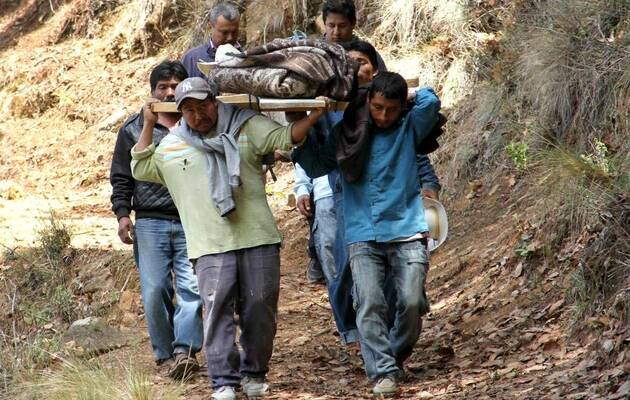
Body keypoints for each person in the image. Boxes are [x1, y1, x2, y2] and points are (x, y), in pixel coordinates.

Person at [130, 77, 327, 400]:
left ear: (216, 102)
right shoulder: (173, 143)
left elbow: (285, 136)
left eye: (203, 106)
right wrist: (149, 124)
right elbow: (140, 166)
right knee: (217, 310)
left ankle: (254, 373)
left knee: (260, 309)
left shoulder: (246, 127)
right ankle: (223, 380)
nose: (198, 115)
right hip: (209, 245)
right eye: (189, 110)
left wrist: (315, 114)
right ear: (181, 114)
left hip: (258, 238)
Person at [294, 71, 441, 396]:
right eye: (376, 107)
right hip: (363, 233)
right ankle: (383, 372)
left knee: (412, 301)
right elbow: (318, 165)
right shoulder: (347, 133)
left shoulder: (408, 128)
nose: (384, 116)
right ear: (368, 103)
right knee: (370, 302)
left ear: (400, 107)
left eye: (391, 109)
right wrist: (297, 129)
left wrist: (412, 96)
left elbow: (431, 100)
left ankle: (393, 354)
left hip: (407, 229)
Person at [109, 60, 203, 379]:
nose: (169, 91)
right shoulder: (134, 128)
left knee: (193, 287)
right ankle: (164, 355)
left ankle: (184, 352)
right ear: (152, 92)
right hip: (149, 221)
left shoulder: (198, 123)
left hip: (192, 219)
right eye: (162, 87)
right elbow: (122, 177)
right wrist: (123, 215)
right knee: (154, 289)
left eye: (175, 85)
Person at [181, 2, 240, 78]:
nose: (230, 38)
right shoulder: (191, 59)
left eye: (234, 32)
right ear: (210, 27)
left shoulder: (247, 58)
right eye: (224, 32)